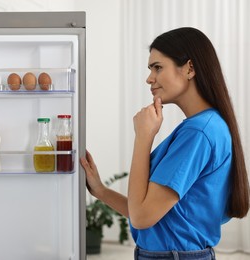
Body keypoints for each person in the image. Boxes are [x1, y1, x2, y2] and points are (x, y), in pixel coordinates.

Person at [80, 27, 249, 260]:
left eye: (157, 67)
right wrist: (100, 190)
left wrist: (143, 138)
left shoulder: (198, 133)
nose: (149, 78)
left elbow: (141, 217)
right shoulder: (203, 126)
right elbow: (145, 210)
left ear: (189, 68)